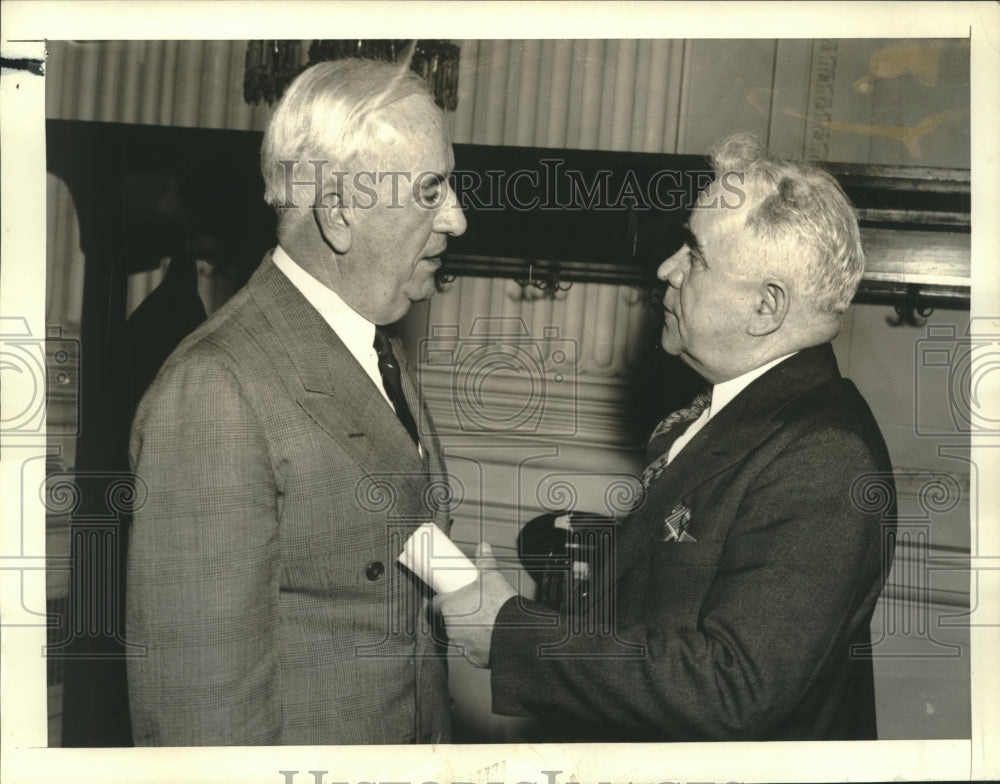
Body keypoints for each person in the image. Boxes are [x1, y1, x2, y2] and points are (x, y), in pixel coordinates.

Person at [436, 132, 896, 742]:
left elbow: (732, 687)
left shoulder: (824, 458)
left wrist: (512, 633)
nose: (666, 269)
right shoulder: (731, 413)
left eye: (696, 256)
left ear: (767, 308)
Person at [126, 58, 467, 745]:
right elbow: (200, 724)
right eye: (432, 190)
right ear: (341, 211)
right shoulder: (216, 391)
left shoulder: (374, 351)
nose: (457, 218)